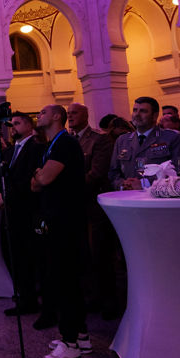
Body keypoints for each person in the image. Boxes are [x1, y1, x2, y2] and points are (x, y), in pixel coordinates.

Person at [32, 104, 89, 358]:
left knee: (65, 280)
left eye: (43, 112)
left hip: (66, 221)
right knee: (66, 279)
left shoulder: (64, 143)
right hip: (58, 219)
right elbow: (38, 182)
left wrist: (40, 176)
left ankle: (70, 345)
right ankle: (80, 335)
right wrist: (40, 177)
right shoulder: (52, 144)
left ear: (57, 116)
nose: (39, 115)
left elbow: (43, 179)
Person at [67, 102, 124, 319]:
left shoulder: (99, 139)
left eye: (75, 113)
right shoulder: (69, 140)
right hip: (76, 205)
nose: (70, 116)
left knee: (100, 253)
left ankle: (109, 300)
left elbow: (98, 172)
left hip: (93, 203)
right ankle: (92, 296)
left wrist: (68, 189)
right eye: (68, 113)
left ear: (86, 115)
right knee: (83, 253)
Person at [0, 111, 42, 316]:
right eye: (11, 124)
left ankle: (31, 299)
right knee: (13, 254)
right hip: (10, 211)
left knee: (27, 256)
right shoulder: (9, 151)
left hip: (27, 210)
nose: (13, 127)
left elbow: (28, 179)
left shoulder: (36, 148)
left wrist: (6, 196)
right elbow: (1, 177)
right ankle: (23, 295)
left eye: (18, 123)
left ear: (29, 126)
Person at [107, 96, 180, 189]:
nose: (137, 114)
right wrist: (122, 184)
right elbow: (113, 172)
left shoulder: (171, 137)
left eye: (143, 111)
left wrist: (144, 183)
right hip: (128, 195)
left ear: (155, 116)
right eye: (135, 110)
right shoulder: (122, 140)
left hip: (157, 195)